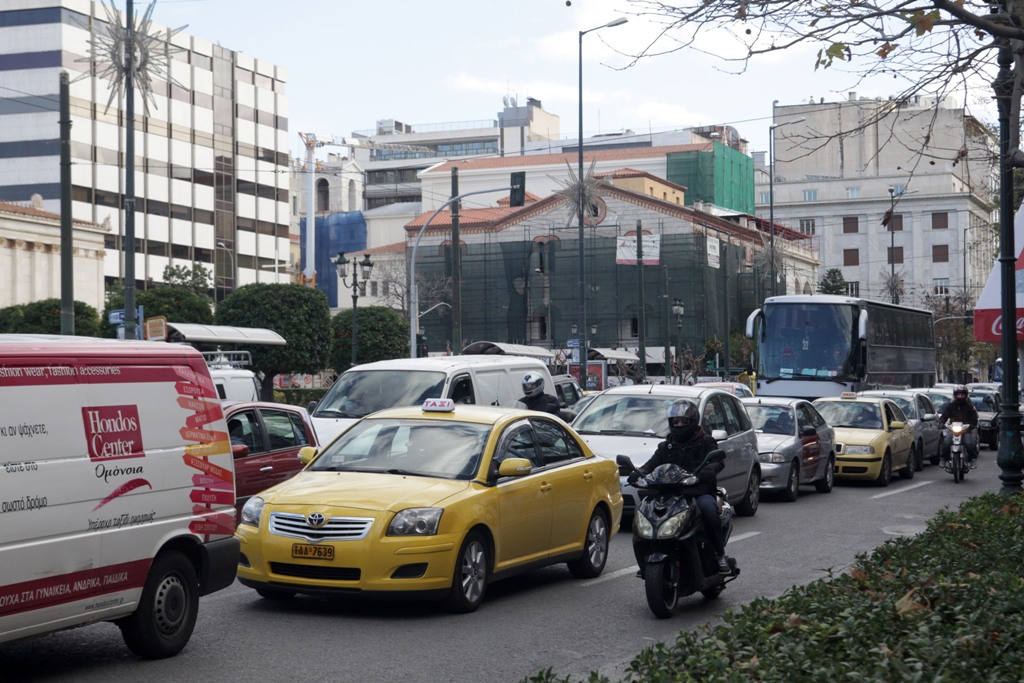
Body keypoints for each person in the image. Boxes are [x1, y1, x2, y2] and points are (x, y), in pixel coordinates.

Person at [627, 398, 730, 574]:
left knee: (709, 510)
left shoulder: (706, 442)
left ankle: (719, 555)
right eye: (676, 421)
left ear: (692, 422)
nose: (679, 424)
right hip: (669, 493)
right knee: (643, 511)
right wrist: (638, 472)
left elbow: (717, 461)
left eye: (683, 421)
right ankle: (646, 556)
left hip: (697, 493)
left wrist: (706, 473)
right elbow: (651, 464)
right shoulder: (666, 445)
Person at [938, 384, 979, 465]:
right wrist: (941, 423)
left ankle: (972, 459)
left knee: (969, 444)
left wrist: (972, 425)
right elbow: (944, 415)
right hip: (953, 429)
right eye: (958, 394)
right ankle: (943, 459)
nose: (960, 396)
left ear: (966, 395)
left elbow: (974, 418)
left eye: (962, 394)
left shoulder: (970, 407)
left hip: (966, 430)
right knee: (946, 443)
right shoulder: (951, 406)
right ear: (955, 395)